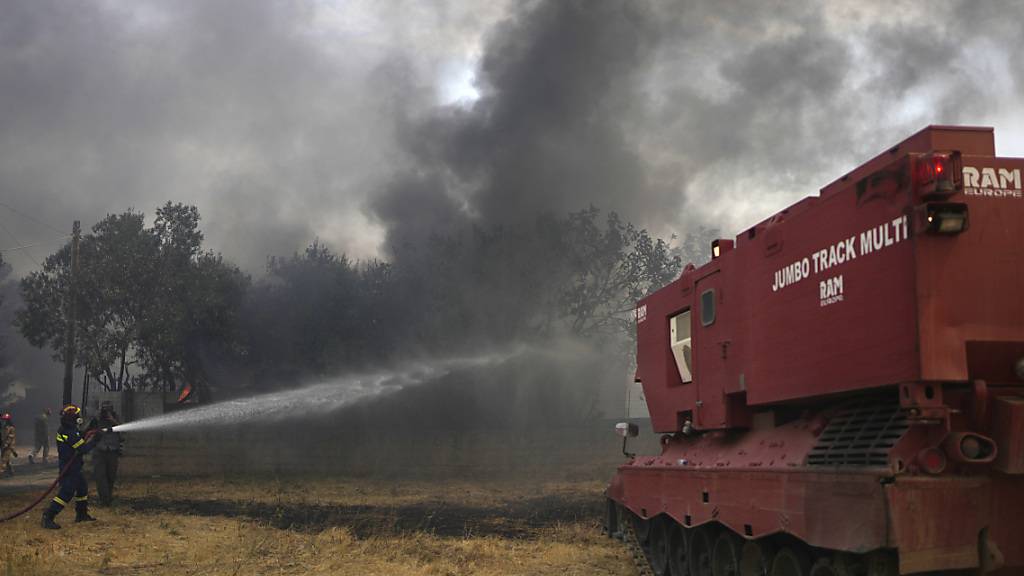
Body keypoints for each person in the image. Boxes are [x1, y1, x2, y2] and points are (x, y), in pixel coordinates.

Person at [41, 405, 101, 529]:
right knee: (66, 493)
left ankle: (81, 514)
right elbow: (82, 448)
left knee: (82, 488)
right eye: (78, 416)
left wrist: (90, 427)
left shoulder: (69, 429)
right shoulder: (68, 432)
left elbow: (80, 436)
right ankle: (48, 516)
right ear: (73, 418)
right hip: (69, 467)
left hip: (74, 466)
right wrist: (95, 441)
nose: (79, 418)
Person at [92, 405, 122, 506]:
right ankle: (104, 499)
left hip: (113, 451)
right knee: (100, 476)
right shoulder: (96, 419)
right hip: (99, 451)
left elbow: (123, 430)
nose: (105, 413)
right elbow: (87, 430)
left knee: (111, 476)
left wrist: (113, 421)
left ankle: (108, 498)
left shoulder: (116, 418)